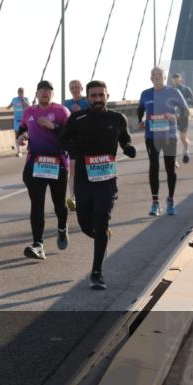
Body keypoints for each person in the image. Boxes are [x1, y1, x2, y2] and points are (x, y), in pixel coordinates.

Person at [59, 80, 136, 290]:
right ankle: (101, 235)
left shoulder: (117, 118)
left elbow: (125, 139)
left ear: (107, 96)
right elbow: (62, 140)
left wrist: (128, 148)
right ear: (87, 98)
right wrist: (75, 148)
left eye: (101, 95)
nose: (97, 99)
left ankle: (97, 273)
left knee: (101, 219)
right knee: (85, 223)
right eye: (93, 96)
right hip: (84, 179)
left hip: (107, 180)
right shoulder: (77, 118)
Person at [16, 81, 71, 260]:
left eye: (48, 91)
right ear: (37, 93)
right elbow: (22, 129)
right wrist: (22, 137)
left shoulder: (61, 111)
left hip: (58, 163)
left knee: (59, 205)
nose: (45, 93)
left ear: (52, 94)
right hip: (35, 163)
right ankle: (38, 244)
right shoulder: (29, 112)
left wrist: (53, 126)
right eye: (41, 90)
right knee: (37, 205)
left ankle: (62, 228)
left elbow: (71, 135)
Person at [138, 68, 188, 216]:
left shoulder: (173, 92)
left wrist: (174, 115)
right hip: (151, 136)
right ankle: (155, 203)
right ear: (151, 78)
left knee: (170, 168)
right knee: (153, 167)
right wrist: (141, 120)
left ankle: (170, 200)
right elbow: (140, 109)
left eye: (160, 75)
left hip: (169, 136)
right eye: (154, 75)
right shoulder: (146, 93)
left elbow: (184, 110)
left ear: (165, 77)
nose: (157, 77)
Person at [62, 79, 88, 212]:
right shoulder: (66, 104)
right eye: (72, 88)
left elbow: (94, 117)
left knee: (87, 169)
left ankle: (88, 196)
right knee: (72, 169)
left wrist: (81, 110)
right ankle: (73, 199)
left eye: (77, 87)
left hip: (88, 140)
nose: (74, 89)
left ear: (82, 88)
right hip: (73, 141)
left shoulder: (88, 101)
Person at [170, 73, 193, 163]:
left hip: (183, 116)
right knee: (173, 138)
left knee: (183, 138)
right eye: (174, 79)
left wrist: (185, 102)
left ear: (181, 79)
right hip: (172, 116)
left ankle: (186, 151)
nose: (176, 80)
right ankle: (173, 159)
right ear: (172, 80)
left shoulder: (186, 89)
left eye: (177, 79)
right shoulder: (169, 90)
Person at [7, 88, 30, 157]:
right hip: (16, 120)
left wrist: (23, 100)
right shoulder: (14, 99)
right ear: (18, 93)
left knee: (26, 134)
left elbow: (29, 107)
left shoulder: (26, 99)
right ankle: (19, 151)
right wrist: (7, 107)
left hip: (24, 120)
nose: (20, 94)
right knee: (17, 135)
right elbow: (10, 105)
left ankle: (29, 147)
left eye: (22, 92)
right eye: (19, 92)